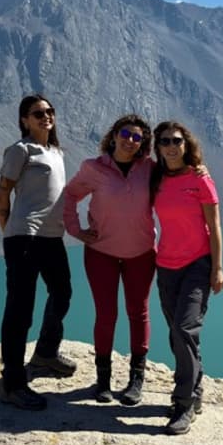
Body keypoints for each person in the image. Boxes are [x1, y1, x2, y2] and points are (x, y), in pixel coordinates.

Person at [62, 115, 157, 405]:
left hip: (141, 253)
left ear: (143, 143)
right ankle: (102, 381)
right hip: (101, 252)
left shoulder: (151, 169)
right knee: (106, 314)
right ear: (114, 135)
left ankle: (135, 381)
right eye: (125, 133)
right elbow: (70, 195)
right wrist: (76, 230)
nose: (130, 140)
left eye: (137, 137)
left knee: (138, 312)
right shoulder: (93, 168)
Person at [0, 94, 77, 411]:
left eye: (49, 111)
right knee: (20, 309)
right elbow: (3, 191)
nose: (46, 116)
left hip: (51, 237)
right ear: (24, 120)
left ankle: (45, 352)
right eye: (38, 113)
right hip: (25, 237)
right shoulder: (20, 150)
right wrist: (8, 229)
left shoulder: (55, 151)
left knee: (63, 292)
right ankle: (12, 383)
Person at [150, 120, 223, 435]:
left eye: (176, 140)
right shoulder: (155, 178)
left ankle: (183, 404)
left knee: (184, 328)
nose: (170, 146)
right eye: (164, 141)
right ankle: (195, 392)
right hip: (165, 264)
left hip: (197, 264)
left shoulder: (199, 179)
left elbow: (215, 226)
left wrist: (217, 268)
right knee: (178, 334)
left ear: (186, 144)